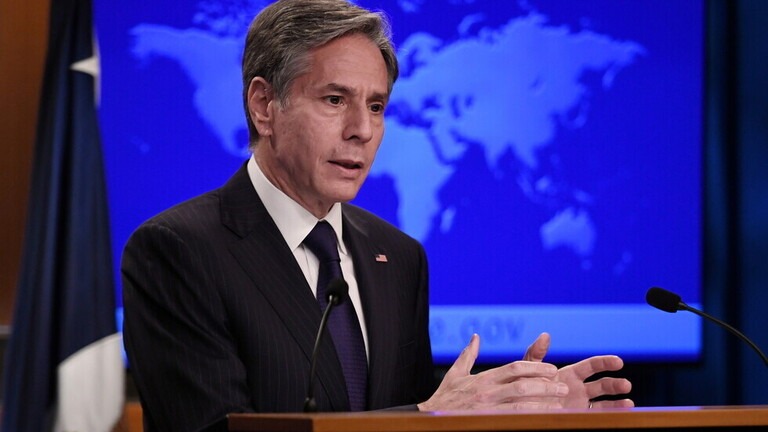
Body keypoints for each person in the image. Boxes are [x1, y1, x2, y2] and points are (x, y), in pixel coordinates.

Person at [121, 0, 633, 430]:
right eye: (334, 99)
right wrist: (428, 415)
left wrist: (519, 413)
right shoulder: (178, 251)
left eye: (376, 106)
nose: (361, 130)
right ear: (263, 106)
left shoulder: (398, 258)